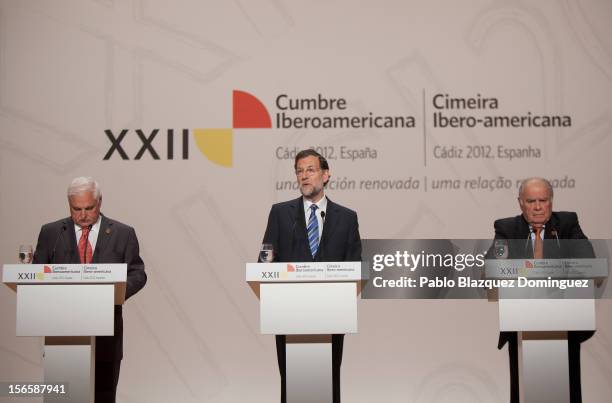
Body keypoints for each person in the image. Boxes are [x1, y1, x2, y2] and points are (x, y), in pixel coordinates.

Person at [33, 177, 147, 403]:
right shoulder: (51, 232)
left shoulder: (122, 233)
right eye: (76, 209)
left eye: (89, 208)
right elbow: (38, 274)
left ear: (100, 202)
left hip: (106, 334)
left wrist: (119, 291)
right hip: (62, 330)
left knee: (102, 396)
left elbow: (138, 273)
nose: (83, 215)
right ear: (69, 204)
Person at [261, 149, 362, 403]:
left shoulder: (347, 218)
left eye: (310, 170)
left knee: (328, 382)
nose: (303, 176)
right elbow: (266, 260)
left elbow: (355, 267)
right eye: (299, 171)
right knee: (292, 385)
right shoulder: (280, 213)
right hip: (288, 314)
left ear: (326, 175)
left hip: (331, 315)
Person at [489, 177, 594, 403]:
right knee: (524, 391)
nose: (538, 207)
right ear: (520, 203)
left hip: (565, 320)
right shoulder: (507, 228)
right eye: (531, 201)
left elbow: (588, 260)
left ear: (551, 201)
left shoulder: (567, 224)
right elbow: (493, 266)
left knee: (568, 389)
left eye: (543, 200)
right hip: (521, 321)